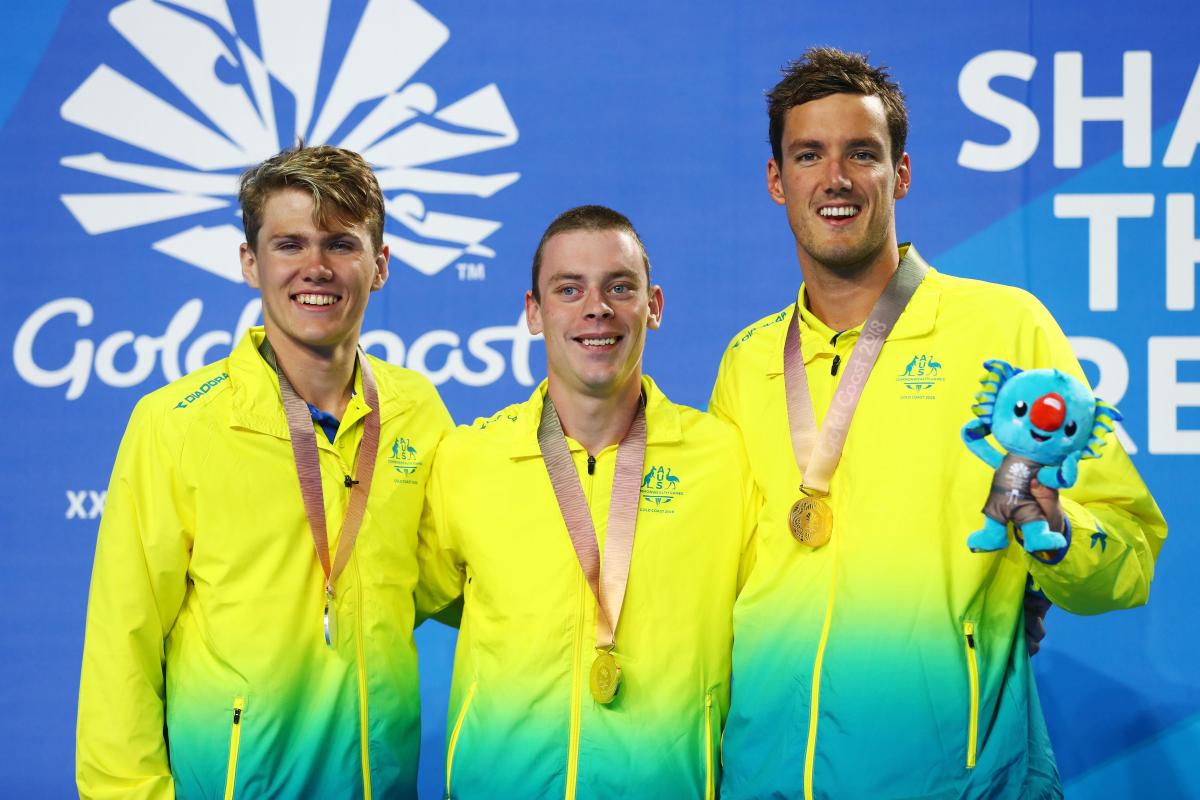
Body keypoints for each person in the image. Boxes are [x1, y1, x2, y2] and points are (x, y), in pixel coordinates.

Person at [710, 48, 1167, 799]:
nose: (836, 179)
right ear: (776, 180)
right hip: (767, 775)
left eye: (863, 153)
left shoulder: (1004, 329)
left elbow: (1130, 552)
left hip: (954, 781)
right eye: (808, 155)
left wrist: (1049, 531)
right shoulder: (747, 360)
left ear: (902, 174)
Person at [76, 145, 452, 799]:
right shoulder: (176, 424)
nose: (316, 267)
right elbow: (122, 642)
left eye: (341, 244)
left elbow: (464, 577)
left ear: (380, 264)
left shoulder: (417, 410)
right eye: (289, 244)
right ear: (250, 263)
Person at [417, 206, 757, 798]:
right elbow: (423, 597)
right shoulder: (468, 460)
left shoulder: (724, 460)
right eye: (568, 288)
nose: (595, 306)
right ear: (534, 311)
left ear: (653, 305)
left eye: (618, 287)